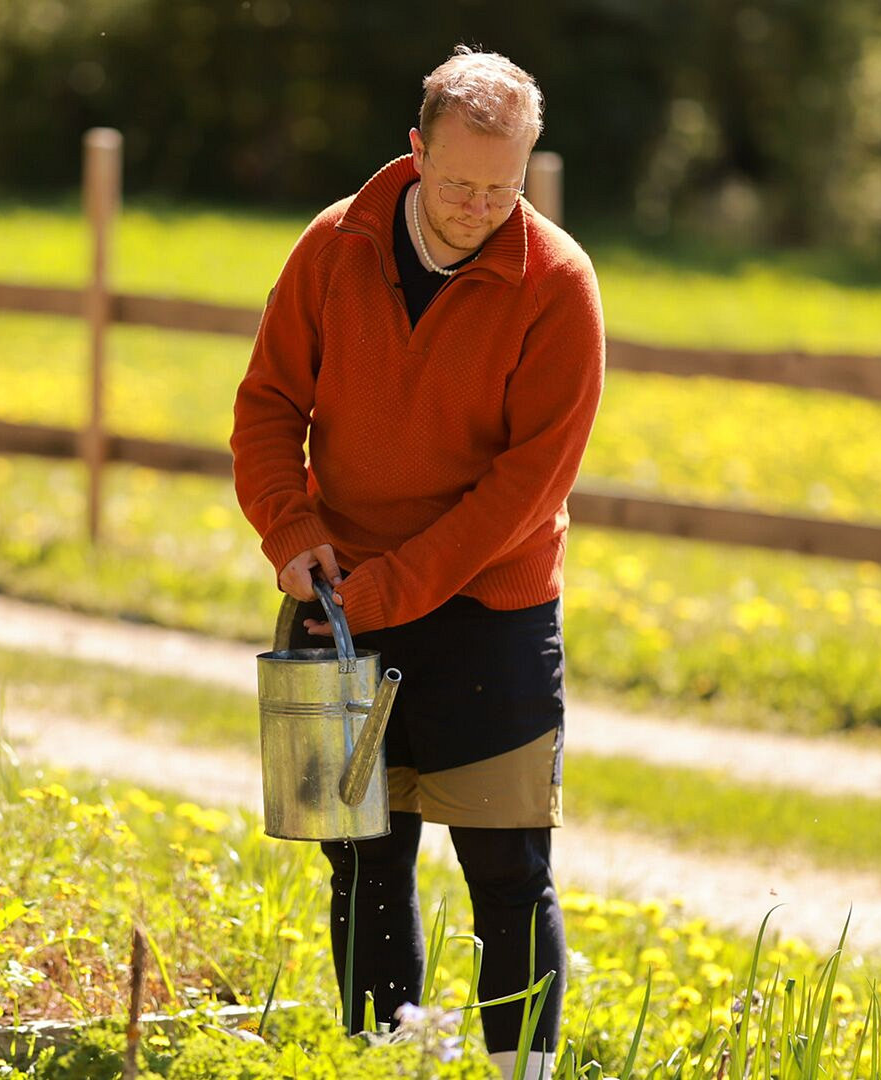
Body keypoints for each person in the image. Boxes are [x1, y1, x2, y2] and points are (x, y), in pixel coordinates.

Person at [230, 45, 604, 1080]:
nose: (480, 205)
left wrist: (389, 587)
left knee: (508, 867)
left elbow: (522, 494)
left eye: (503, 185)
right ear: (414, 151)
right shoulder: (330, 245)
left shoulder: (561, 286)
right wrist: (291, 534)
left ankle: (515, 1073)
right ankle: (384, 1063)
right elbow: (267, 407)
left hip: (492, 608)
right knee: (363, 863)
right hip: (336, 595)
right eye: (457, 183)